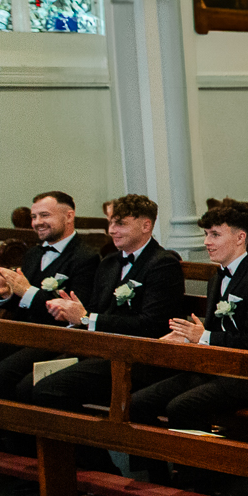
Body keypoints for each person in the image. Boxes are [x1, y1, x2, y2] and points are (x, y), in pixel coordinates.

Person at [29, 196, 187, 459]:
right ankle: (62, 467)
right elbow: (93, 312)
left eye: (121, 223)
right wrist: (72, 315)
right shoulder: (110, 262)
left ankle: (97, 469)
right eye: (111, 223)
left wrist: (86, 318)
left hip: (140, 358)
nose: (112, 230)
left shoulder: (162, 263)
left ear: (146, 225)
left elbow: (150, 326)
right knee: (29, 385)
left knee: (49, 390)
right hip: (104, 351)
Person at [0, 190, 102, 448]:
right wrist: (5, 294)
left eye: (45, 215)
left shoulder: (86, 257)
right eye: (34, 216)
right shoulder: (32, 254)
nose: (37, 222)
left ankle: (23, 453)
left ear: (69, 215)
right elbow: (20, 302)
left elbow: (72, 310)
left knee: (4, 373)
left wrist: (25, 291)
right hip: (23, 332)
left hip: (56, 338)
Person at [130, 203, 248, 432]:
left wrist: (203, 336)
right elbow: (212, 331)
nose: (206, 242)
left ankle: (199, 468)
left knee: (180, 407)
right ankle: (157, 467)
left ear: (240, 237)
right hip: (215, 369)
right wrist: (185, 337)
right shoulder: (216, 278)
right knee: (138, 403)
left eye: (215, 235)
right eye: (206, 234)